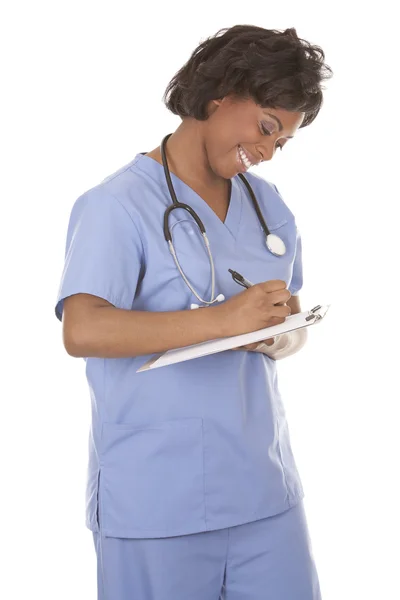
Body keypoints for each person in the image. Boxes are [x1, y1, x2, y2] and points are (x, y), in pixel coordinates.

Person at [55, 24, 332, 600]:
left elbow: (287, 316)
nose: (266, 151)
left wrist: (280, 335)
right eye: (264, 128)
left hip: (264, 490)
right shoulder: (115, 205)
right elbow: (82, 328)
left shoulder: (268, 205)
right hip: (156, 501)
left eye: (279, 142)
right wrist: (223, 320)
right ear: (219, 94)